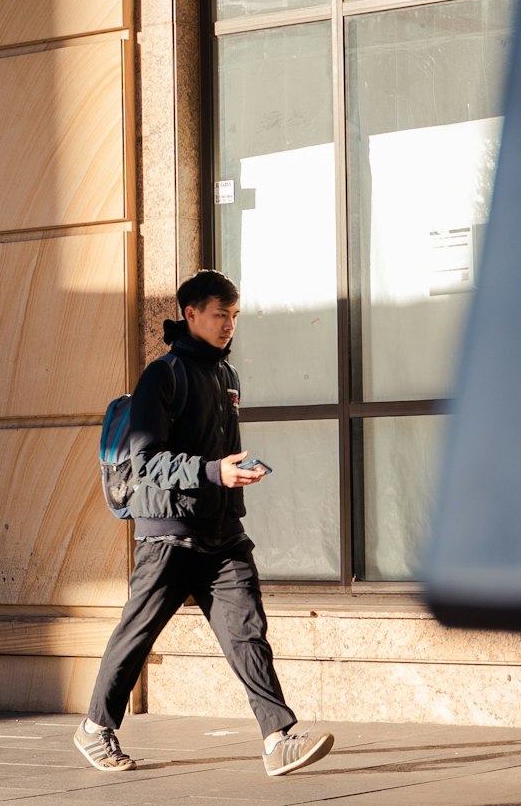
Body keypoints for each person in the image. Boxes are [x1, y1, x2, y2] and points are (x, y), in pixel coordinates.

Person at [74, 269, 335, 777]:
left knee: (247, 632)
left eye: (234, 316)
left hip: (221, 532)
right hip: (168, 533)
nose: (229, 326)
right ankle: (93, 728)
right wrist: (216, 471)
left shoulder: (226, 376)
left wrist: (234, 472)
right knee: (138, 633)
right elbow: (146, 461)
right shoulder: (162, 375)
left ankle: (278, 738)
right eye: (221, 315)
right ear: (191, 314)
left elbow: (217, 451)